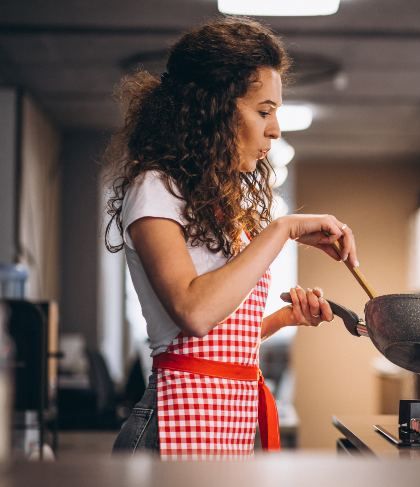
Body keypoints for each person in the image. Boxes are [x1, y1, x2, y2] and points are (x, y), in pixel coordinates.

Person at [105, 17, 359, 460]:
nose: (275, 129)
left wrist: (281, 321)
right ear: (212, 107)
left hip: (224, 424)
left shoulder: (214, 203)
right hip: (170, 428)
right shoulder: (155, 187)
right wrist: (284, 228)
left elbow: (211, 343)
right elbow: (194, 312)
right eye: (264, 111)